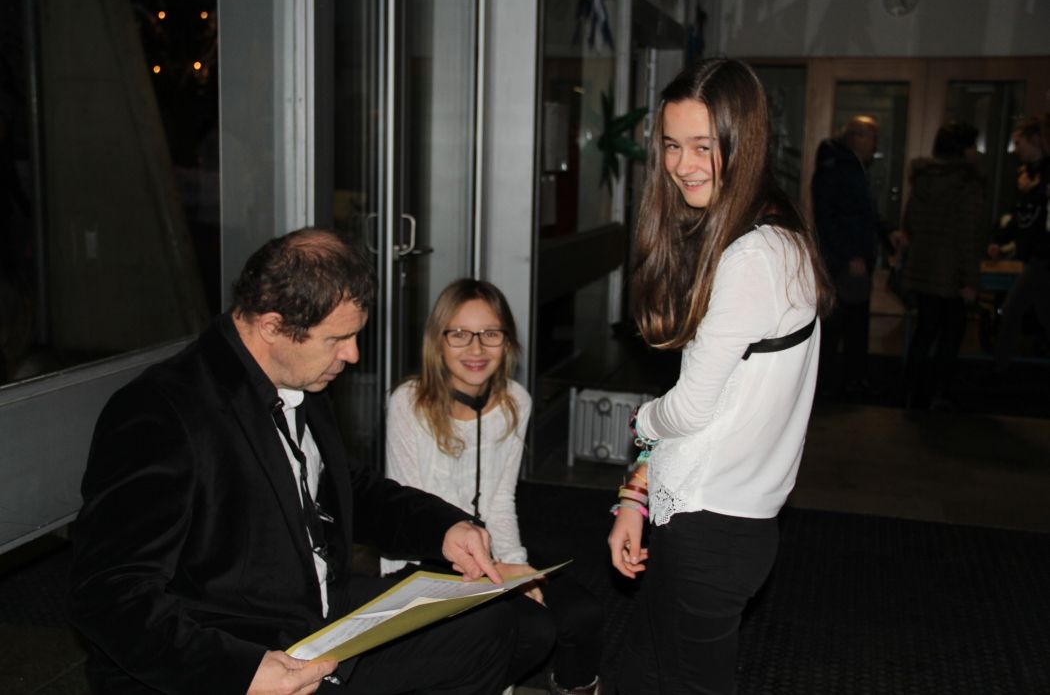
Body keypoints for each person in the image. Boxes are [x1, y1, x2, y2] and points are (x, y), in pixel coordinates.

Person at [69, 228, 538, 695]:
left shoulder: (299, 376)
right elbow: (109, 594)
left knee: (505, 627)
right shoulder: (161, 411)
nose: (352, 354)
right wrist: (241, 672)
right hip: (240, 646)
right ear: (272, 327)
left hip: (316, 612)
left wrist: (442, 527)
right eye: (338, 339)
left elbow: (347, 488)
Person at [606, 59, 833, 694]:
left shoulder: (752, 256)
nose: (683, 164)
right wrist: (635, 498)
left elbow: (689, 411)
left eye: (704, 146)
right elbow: (717, 413)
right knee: (637, 673)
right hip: (708, 516)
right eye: (672, 145)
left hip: (712, 527)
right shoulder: (771, 238)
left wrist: (642, 420)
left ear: (744, 139)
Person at [381, 278, 604, 695]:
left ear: (507, 342)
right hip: (425, 556)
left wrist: (518, 567)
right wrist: (502, 575)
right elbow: (411, 512)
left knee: (582, 614)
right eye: (460, 334)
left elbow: (501, 501)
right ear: (438, 342)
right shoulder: (408, 402)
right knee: (532, 628)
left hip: (490, 551)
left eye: (490, 334)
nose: (476, 348)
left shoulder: (516, 401)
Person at [899, 121, 985, 410]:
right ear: (964, 149)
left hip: (923, 266)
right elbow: (968, 234)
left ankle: (912, 392)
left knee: (924, 331)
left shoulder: (924, 178)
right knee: (950, 335)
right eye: (973, 145)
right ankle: (938, 392)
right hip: (951, 271)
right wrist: (971, 279)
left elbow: (910, 222)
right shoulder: (967, 183)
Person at [811, 113, 881, 396]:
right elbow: (827, 217)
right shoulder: (837, 167)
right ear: (856, 137)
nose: (875, 144)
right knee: (839, 323)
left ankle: (848, 379)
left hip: (848, 257)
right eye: (872, 137)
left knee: (851, 322)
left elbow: (861, 213)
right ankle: (831, 384)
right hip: (842, 261)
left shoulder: (850, 165)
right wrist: (850, 254)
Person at [988, 114, 1050, 372]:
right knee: (1040, 311)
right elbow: (1017, 215)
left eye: (1018, 142)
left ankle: (999, 369)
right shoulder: (1025, 174)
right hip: (1034, 254)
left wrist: (1032, 192)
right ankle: (1001, 366)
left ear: (1035, 140)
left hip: (1043, 256)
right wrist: (999, 239)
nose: (1015, 150)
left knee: (1013, 309)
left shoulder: (1043, 176)